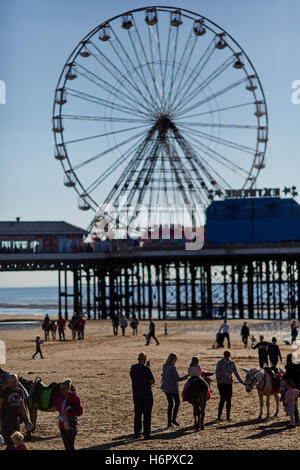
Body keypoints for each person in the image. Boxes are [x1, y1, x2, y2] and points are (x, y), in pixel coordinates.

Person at [0, 375, 33, 450]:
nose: (14, 384)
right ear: (8, 382)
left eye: (15, 382)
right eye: (12, 382)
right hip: (5, 422)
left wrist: (28, 420)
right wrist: (0, 421)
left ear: (18, 381)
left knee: (17, 444)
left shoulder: (20, 391)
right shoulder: (4, 391)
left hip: (15, 421)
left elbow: (22, 407)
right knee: (10, 444)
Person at [129, 352, 155, 439]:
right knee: (147, 415)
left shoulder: (133, 368)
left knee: (137, 414)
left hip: (136, 393)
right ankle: (146, 433)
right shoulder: (146, 369)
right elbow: (152, 381)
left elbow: (133, 377)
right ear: (144, 360)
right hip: (146, 393)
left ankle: (137, 433)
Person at [54, 378, 83, 451]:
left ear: (69, 388)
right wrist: (62, 412)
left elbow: (80, 412)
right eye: (61, 389)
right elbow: (56, 405)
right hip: (62, 425)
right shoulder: (59, 397)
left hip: (71, 424)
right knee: (66, 446)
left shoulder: (74, 397)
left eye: (64, 389)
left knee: (71, 446)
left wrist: (69, 412)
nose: (62, 391)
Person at [161, 353, 188, 427]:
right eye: (175, 360)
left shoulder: (164, 366)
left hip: (166, 388)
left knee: (170, 404)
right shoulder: (172, 367)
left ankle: (169, 422)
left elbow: (163, 375)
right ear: (173, 360)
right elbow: (177, 379)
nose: (175, 361)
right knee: (177, 403)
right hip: (173, 388)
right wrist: (186, 376)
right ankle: (173, 419)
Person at [215, 351, 244, 421]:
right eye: (226, 356)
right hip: (221, 383)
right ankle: (219, 416)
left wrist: (240, 380)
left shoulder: (232, 363)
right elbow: (217, 371)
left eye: (228, 356)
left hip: (229, 383)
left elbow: (236, 372)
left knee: (229, 400)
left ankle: (228, 416)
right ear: (224, 356)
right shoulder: (220, 362)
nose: (227, 357)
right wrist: (218, 377)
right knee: (222, 399)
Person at [283, 354, 300, 425]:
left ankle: (296, 420)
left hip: (293, 388)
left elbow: (286, 377)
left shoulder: (289, 368)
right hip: (298, 387)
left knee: (293, 404)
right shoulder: (298, 365)